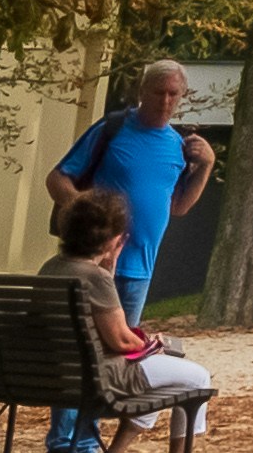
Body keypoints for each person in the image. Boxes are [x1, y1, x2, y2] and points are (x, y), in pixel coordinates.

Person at [51, 188, 220, 453]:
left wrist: (108, 269)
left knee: (170, 374)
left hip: (55, 378)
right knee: (196, 378)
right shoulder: (93, 279)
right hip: (101, 379)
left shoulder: (52, 268)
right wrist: (151, 344)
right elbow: (120, 339)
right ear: (111, 239)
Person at [51, 61, 214, 310]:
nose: (165, 101)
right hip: (92, 263)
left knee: (125, 347)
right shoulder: (112, 129)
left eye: (173, 94)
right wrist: (90, 213)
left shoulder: (178, 146)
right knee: (89, 342)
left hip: (141, 270)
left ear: (182, 96)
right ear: (142, 91)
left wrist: (206, 166)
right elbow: (56, 179)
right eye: (159, 92)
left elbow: (179, 207)